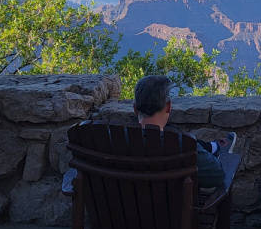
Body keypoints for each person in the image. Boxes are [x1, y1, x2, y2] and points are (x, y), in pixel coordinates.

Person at [61, 74, 236, 194]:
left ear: (135, 108)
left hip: (114, 226)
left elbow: (76, 176)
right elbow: (215, 177)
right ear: (168, 107)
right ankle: (214, 149)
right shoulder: (181, 144)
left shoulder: (106, 143)